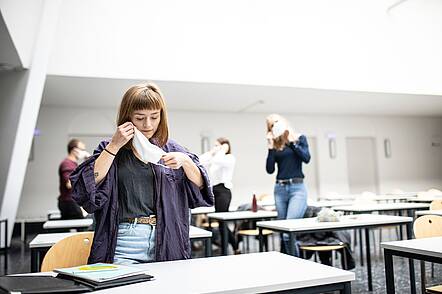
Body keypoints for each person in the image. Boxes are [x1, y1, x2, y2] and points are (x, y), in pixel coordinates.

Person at [70, 82, 214, 264]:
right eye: (140, 118)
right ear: (127, 117)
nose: (148, 124)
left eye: (154, 117)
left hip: (169, 239)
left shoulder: (173, 148)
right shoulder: (111, 148)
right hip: (123, 243)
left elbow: (201, 190)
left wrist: (185, 161)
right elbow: (85, 190)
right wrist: (114, 146)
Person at [265, 114, 310, 256]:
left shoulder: (299, 138)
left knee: (288, 231)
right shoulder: (276, 144)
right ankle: (288, 264)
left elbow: (306, 158)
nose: (274, 126)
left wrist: (290, 142)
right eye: (271, 125)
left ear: (284, 122)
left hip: (297, 188)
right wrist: (271, 148)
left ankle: (297, 268)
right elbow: (270, 169)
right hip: (280, 189)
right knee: (282, 231)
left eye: (276, 122)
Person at [200, 137, 240, 254]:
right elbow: (200, 160)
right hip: (215, 190)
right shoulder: (215, 157)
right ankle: (232, 246)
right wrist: (212, 152)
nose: (215, 147)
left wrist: (222, 150)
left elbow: (218, 161)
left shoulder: (229, 158)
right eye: (215, 145)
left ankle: (233, 245)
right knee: (220, 222)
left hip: (223, 190)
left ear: (225, 146)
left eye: (218, 145)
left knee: (222, 221)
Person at [58, 139, 89, 219]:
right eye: (82, 150)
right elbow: (69, 184)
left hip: (70, 201)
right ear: (74, 150)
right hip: (69, 202)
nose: (84, 152)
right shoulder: (67, 164)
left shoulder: (73, 164)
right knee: (83, 227)